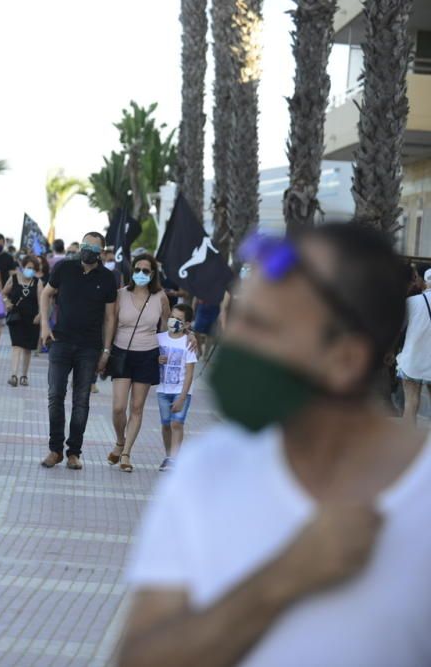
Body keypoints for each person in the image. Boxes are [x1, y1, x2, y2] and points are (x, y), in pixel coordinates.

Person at [119, 224, 431, 667]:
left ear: (345, 360)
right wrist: (283, 578)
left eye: (262, 327)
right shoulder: (207, 469)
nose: (236, 344)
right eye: (241, 318)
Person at [39, 233, 118, 470]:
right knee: (55, 396)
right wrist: (44, 324)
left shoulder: (107, 278)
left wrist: (106, 350)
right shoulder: (65, 268)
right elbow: (46, 294)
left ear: (102, 252)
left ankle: (74, 452)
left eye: (94, 248)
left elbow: (110, 317)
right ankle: (55, 450)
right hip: (60, 341)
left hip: (90, 347)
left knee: (81, 401)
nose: (88, 251)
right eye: (85, 246)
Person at [106, 254, 171, 473]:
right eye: (138, 269)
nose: (141, 273)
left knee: (136, 407)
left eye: (146, 270)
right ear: (132, 270)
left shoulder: (160, 297)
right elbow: (111, 323)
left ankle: (126, 453)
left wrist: (186, 337)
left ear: (153, 274)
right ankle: (119, 440)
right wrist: (105, 351)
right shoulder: (120, 294)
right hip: (122, 352)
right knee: (118, 407)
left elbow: (168, 327)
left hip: (148, 354)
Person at [156, 303, 198, 472]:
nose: (173, 321)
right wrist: (156, 360)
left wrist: (182, 396)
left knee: (177, 424)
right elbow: (151, 358)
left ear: (187, 324)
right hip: (162, 390)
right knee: (166, 424)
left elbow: (190, 372)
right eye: (172, 317)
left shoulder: (188, 343)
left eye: (179, 319)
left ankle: (174, 458)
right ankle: (168, 456)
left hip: (181, 391)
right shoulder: (159, 338)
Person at [2, 255, 42, 387]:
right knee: (16, 345)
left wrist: (40, 314)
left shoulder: (38, 282)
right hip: (16, 318)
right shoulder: (13, 279)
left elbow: (42, 301)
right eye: (28, 267)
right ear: (23, 267)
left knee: (27, 348)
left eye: (33, 268)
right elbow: (4, 293)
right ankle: (14, 375)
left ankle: (24, 375)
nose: (30, 270)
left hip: (32, 319)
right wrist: (6, 302)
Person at [398, 267, 431, 424]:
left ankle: (406, 447)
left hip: (413, 361)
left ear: (425, 282)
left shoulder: (412, 302)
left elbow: (398, 329)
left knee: (410, 404)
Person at [0, 233, 18, 361]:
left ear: (4, 243)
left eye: (0, 243)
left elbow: (13, 275)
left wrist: (7, 295)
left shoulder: (8, 258)